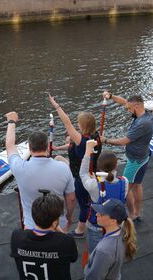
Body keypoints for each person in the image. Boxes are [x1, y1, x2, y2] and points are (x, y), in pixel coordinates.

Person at [5, 111, 76, 230]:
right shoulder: (63, 168)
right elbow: (71, 198)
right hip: (58, 224)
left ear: (29, 148)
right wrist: (69, 218)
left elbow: (10, 145)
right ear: (48, 147)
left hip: (32, 226)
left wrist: (11, 122)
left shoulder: (19, 167)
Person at [49, 94, 102, 238]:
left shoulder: (82, 140)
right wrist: (58, 148)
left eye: (79, 123)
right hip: (92, 171)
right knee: (87, 200)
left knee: (84, 203)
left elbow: (67, 123)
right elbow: (71, 142)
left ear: (83, 125)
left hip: (82, 175)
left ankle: (79, 230)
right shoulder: (97, 137)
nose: (76, 125)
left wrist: (56, 106)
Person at [100, 92, 153, 222]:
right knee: (137, 184)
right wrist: (111, 96)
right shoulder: (145, 112)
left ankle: (129, 215)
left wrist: (106, 140)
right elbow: (125, 102)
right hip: (142, 155)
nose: (128, 110)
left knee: (125, 189)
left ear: (136, 106)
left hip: (136, 161)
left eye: (129, 108)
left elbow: (125, 141)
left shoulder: (142, 123)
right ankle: (136, 213)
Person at [11, 192, 78, 280]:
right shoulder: (66, 241)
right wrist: (58, 229)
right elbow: (74, 256)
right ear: (54, 223)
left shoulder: (17, 237)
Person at [80, 140, 129, 254]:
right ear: (116, 165)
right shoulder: (124, 182)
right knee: (113, 255)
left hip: (96, 228)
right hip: (116, 227)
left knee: (95, 256)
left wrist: (88, 150)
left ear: (98, 166)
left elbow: (82, 173)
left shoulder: (93, 185)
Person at [83, 199, 137, 280]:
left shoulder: (103, 251)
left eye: (101, 214)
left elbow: (94, 277)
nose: (97, 214)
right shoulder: (122, 231)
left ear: (113, 221)